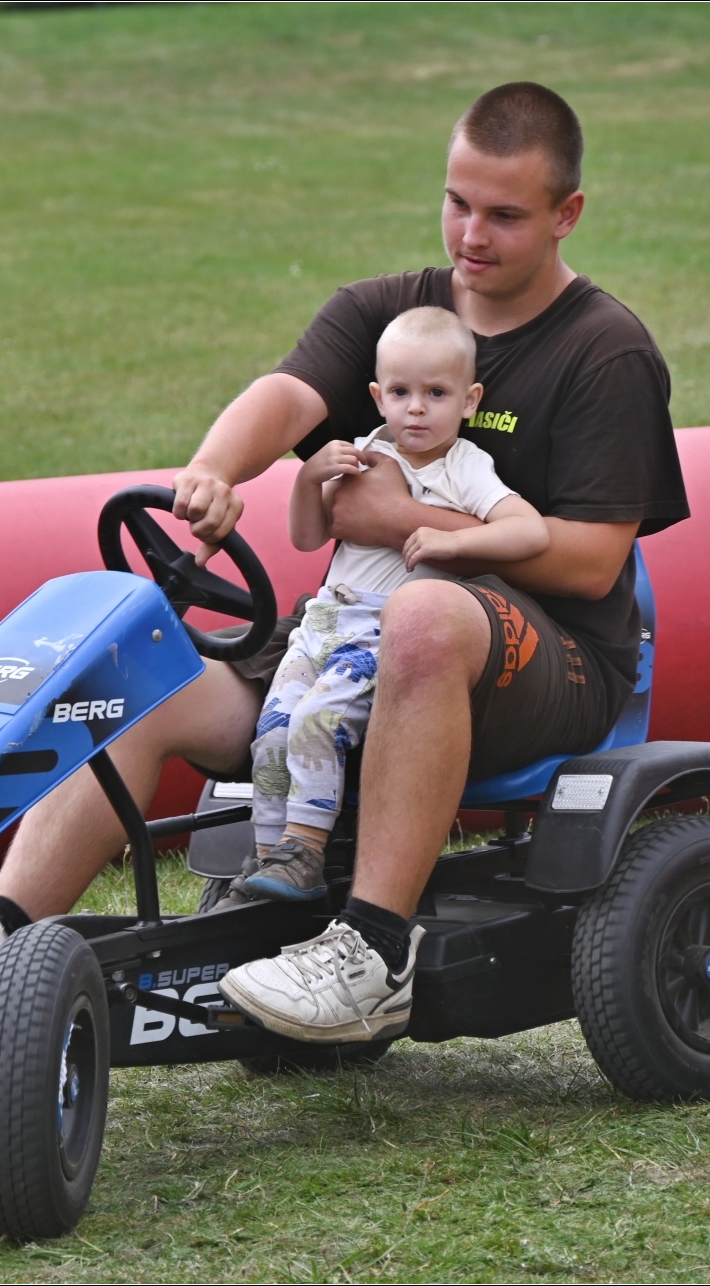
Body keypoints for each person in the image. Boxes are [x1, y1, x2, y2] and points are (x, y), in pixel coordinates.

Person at [0, 81, 690, 1045]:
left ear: (567, 214)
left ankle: (372, 954)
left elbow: (595, 565)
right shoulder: (389, 315)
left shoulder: (604, 351)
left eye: (505, 216)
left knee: (423, 613)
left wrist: (402, 519)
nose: (471, 235)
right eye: (456, 203)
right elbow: (285, 396)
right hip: (351, 638)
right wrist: (212, 469)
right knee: (138, 662)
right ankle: (8, 921)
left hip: (553, 662)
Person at [235, 304, 549, 905]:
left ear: (470, 400)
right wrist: (307, 480)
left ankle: (305, 850)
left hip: (381, 630)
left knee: (317, 722)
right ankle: (270, 861)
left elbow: (529, 532)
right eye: (401, 392)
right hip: (321, 623)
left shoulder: (464, 467)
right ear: (378, 397)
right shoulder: (363, 452)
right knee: (272, 729)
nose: (417, 408)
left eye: (437, 393)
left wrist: (453, 541)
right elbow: (308, 537)